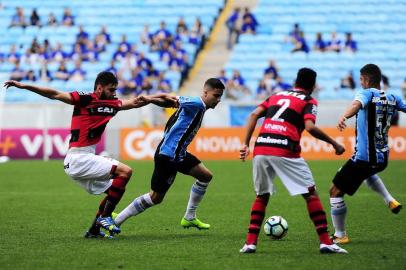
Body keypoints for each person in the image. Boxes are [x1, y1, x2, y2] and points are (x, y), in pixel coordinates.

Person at [3, 71, 178, 238]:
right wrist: (24, 86)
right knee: (125, 172)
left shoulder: (113, 104)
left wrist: (161, 98)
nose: (114, 93)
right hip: (78, 158)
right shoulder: (85, 99)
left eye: (115, 90)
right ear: (99, 88)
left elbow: (137, 102)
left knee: (114, 190)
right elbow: (55, 93)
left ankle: (94, 230)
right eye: (111, 89)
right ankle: (105, 217)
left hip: (84, 159)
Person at [239, 68, 348, 254]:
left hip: (262, 146)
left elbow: (253, 115)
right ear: (313, 85)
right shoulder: (309, 100)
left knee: (262, 195)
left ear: (295, 81)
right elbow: (310, 127)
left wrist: (245, 144)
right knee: (310, 194)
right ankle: (326, 242)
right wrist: (334, 143)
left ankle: (250, 243)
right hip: (284, 148)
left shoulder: (276, 95)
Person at [114, 78, 225, 231]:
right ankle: (116, 221)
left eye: (220, 96)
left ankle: (189, 217)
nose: (218, 100)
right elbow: (169, 97)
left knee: (205, 176)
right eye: (216, 95)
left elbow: (169, 103)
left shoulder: (198, 106)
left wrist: (152, 101)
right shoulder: (197, 103)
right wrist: (149, 98)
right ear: (205, 92)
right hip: (169, 156)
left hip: (179, 154)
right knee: (155, 197)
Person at [329, 64, 405, 245]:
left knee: (335, 191)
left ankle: (340, 234)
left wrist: (344, 116)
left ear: (367, 79)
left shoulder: (367, 93)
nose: (360, 83)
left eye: (361, 79)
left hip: (364, 158)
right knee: (368, 174)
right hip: (382, 158)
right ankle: (389, 200)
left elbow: (356, 105)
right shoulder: (393, 97)